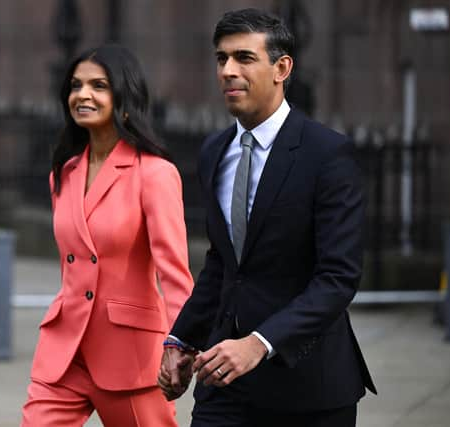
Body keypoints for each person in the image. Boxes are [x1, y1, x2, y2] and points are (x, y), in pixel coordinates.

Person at [158, 8, 376, 427]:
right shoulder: (213, 152)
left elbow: (337, 278)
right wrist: (181, 338)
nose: (227, 70)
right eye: (221, 58)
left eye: (244, 58)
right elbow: (223, 263)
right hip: (223, 386)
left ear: (282, 68)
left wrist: (259, 343)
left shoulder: (327, 155)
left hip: (308, 388)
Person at [21, 44, 193, 427]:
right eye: (76, 85)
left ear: (124, 96)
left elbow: (174, 272)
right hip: (65, 351)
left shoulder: (155, 173)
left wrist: (179, 343)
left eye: (99, 85)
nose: (83, 94)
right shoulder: (62, 175)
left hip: (129, 356)